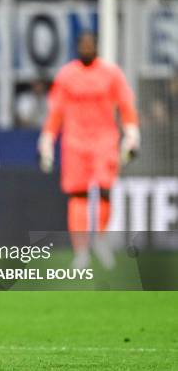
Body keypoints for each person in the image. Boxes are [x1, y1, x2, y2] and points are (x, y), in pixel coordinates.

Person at [37, 32, 140, 267]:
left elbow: (126, 105)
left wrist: (132, 134)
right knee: (78, 196)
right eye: (82, 45)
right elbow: (56, 112)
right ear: (77, 47)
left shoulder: (111, 74)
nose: (86, 48)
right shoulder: (67, 75)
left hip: (105, 140)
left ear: (96, 47)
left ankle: (100, 238)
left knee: (104, 190)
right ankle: (81, 251)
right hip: (74, 142)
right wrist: (47, 141)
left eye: (89, 45)